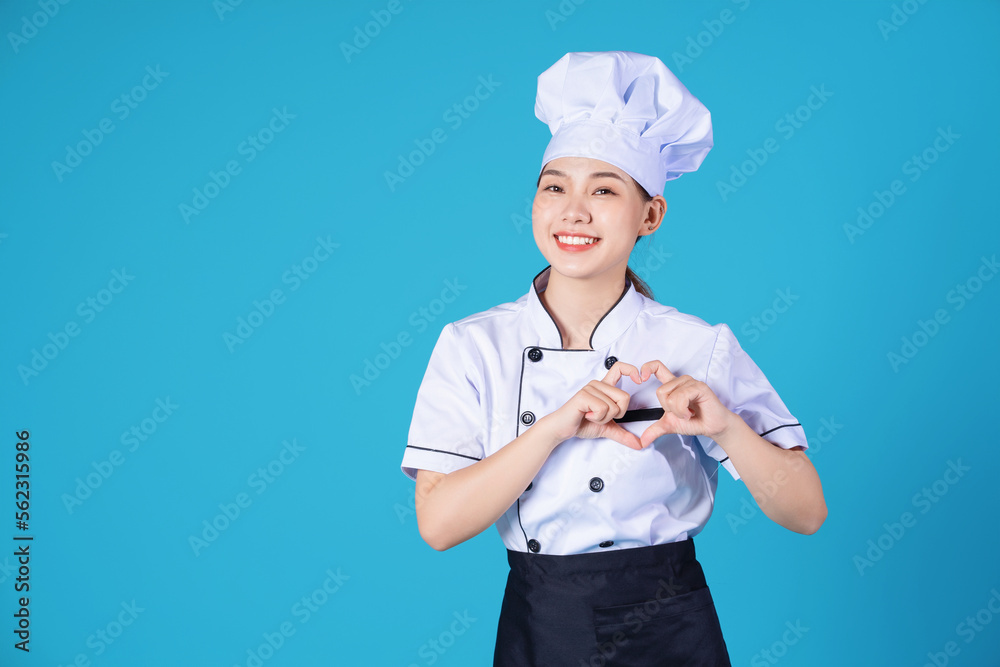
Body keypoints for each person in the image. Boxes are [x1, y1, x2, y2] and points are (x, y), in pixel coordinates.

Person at [400, 51, 826, 666]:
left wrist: (727, 426)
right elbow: (439, 526)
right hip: (542, 622)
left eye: (604, 189)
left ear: (649, 215)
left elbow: (806, 511)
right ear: (535, 204)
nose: (574, 211)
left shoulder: (696, 345)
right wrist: (554, 426)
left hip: (670, 623)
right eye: (555, 188)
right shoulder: (472, 344)